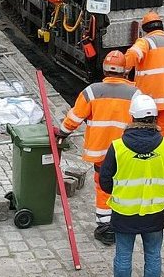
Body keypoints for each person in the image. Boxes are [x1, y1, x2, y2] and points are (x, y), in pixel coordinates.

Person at [99, 94, 164, 277]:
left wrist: (121, 192)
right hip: (154, 212)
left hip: (124, 212)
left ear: (132, 116)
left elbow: (105, 180)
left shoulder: (118, 147)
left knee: (123, 255)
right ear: (155, 118)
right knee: (153, 256)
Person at [57, 51, 138, 245]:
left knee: (103, 186)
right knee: (125, 185)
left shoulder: (92, 91)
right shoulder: (136, 93)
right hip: (127, 151)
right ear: (125, 71)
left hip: (101, 151)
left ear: (103, 69)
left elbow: (75, 118)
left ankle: (105, 227)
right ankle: (125, 221)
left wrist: (61, 132)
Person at [123, 11, 164, 142]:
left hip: (150, 102)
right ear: (162, 27)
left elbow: (133, 54)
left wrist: (122, 70)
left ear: (145, 29)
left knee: (145, 140)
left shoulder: (146, 42)